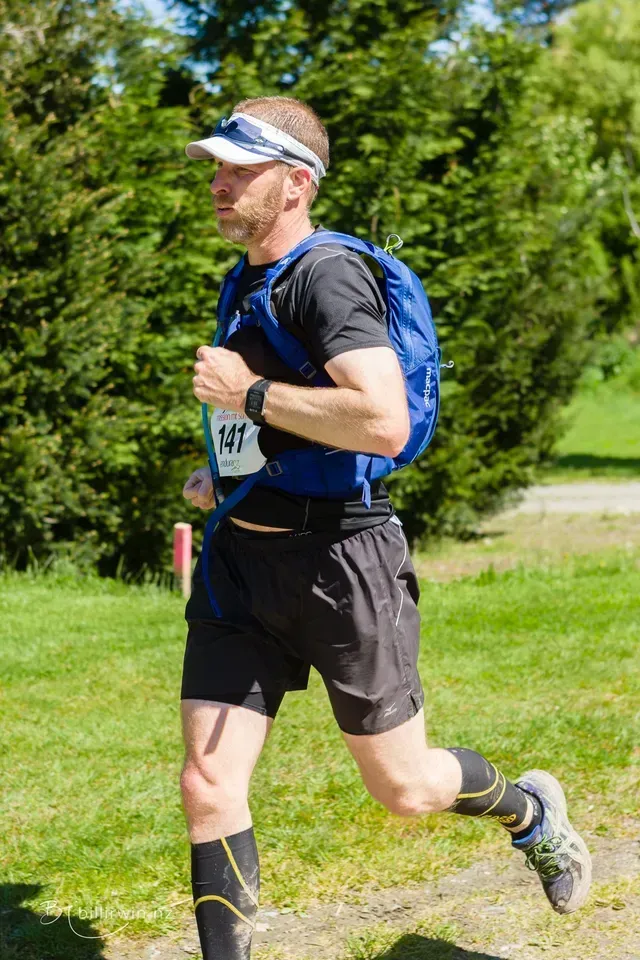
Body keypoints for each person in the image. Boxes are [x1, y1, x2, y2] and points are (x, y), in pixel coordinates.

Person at [180, 96, 591, 960]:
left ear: (297, 183)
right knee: (208, 782)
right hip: (244, 560)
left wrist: (246, 394)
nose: (219, 184)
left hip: (340, 558)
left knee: (404, 789)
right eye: (216, 168)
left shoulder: (327, 276)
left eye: (240, 170)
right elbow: (289, 418)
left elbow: (382, 422)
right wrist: (228, 470)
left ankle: (530, 811)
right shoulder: (248, 278)